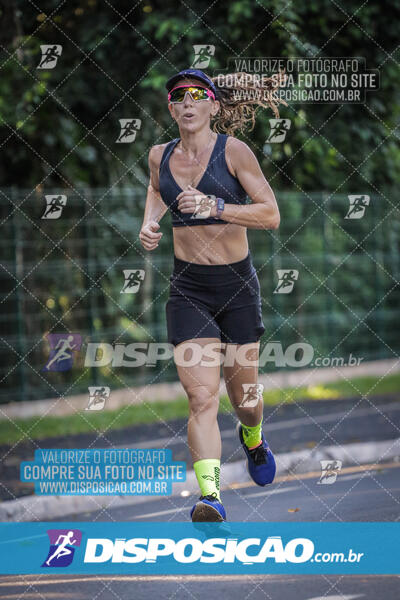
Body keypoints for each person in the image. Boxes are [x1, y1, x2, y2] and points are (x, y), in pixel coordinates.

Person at [139, 68, 287, 522]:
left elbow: (271, 214)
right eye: (178, 96)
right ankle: (211, 496)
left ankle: (254, 438)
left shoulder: (234, 152)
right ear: (170, 107)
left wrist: (215, 205)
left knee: (245, 400)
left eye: (197, 95)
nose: (187, 102)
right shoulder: (158, 155)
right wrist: (149, 223)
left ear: (213, 106)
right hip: (189, 290)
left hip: (237, 288)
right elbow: (155, 190)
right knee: (201, 397)